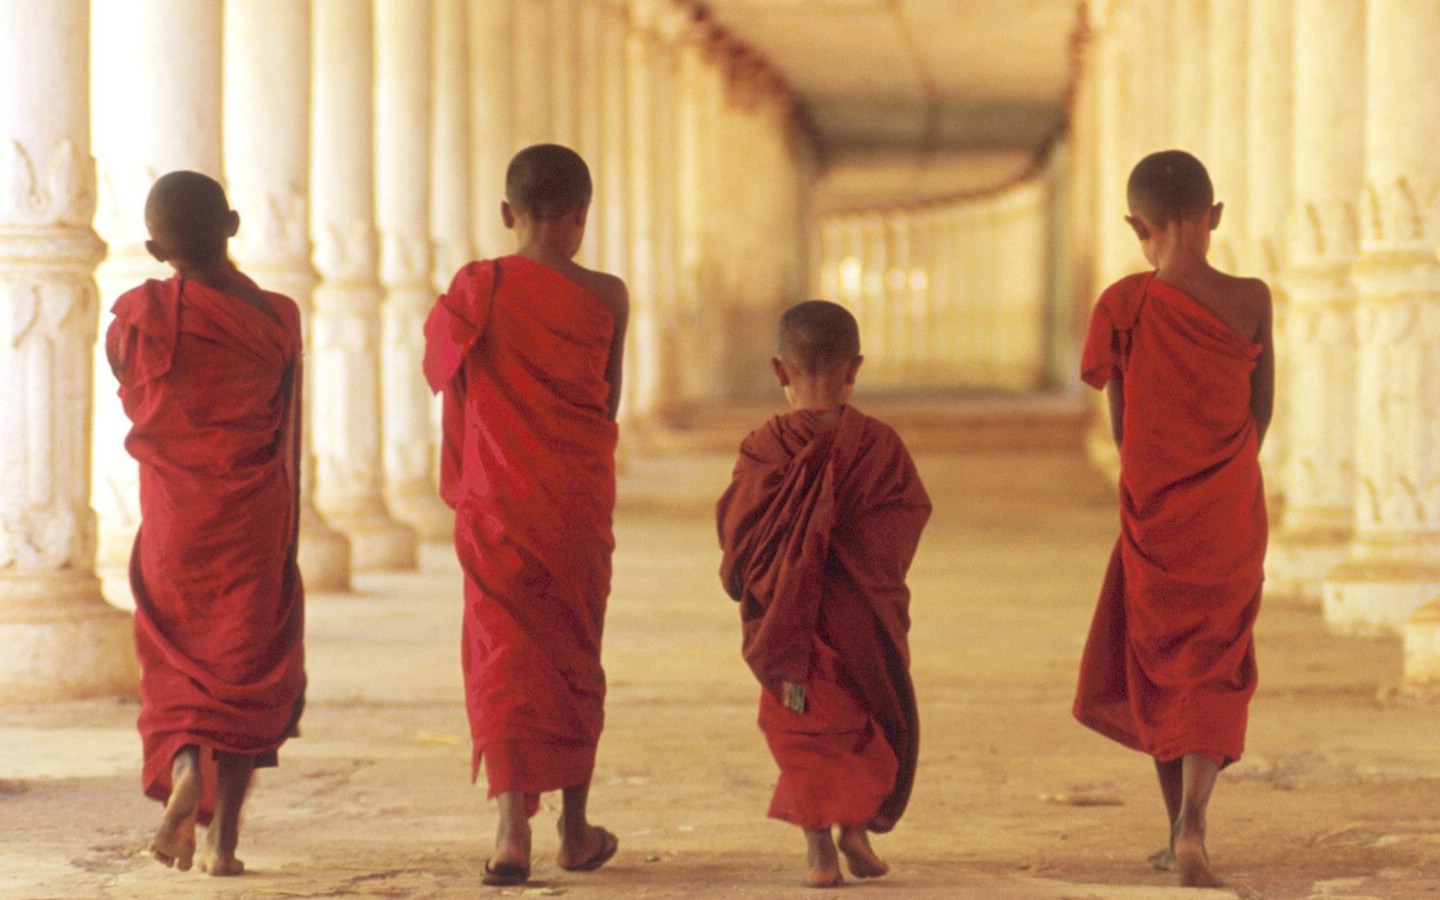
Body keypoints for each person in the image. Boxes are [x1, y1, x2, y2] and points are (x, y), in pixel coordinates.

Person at [423, 144, 628, 888]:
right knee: (574, 655)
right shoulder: (607, 295)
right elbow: (606, 404)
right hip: (573, 504)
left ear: (508, 216)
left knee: (502, 657)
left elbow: (453, 385)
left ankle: (512, 831)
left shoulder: (476, 288)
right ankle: (574, 830)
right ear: (581, 217)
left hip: (498, 505)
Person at [1073, 149, 1273, 889]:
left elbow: (1123, 428)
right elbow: (1262, 412)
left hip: (1156, 516)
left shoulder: (1124, 306)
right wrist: (1222, 476)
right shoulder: (1252, 298)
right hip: (1229, 512)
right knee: (1214, 664)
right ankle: (1191, 822)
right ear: (1213, 217)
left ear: (1137, 227)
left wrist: (1159, 486)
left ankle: (1175, 830)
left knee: (1158, 662)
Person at [107, 170, 307, 877]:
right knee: (249, 668)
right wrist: (289, 534)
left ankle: (187, 764)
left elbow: (139, 393)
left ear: (155, 249)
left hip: (173, 522)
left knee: (179, 665)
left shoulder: (134, 320)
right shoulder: (278, 317)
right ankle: (223, 844)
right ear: (233, 225)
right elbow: (287, 432)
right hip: (251, 518)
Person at [716, 300, 931, 889]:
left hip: (791, 624)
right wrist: (866, 576)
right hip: (861, 616)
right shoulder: (880, 445)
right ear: (854, 368)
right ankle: (856, 830)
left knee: (805, 727)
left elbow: (737, 538)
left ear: (779, 371)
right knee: (866, 716)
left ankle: (822, 855)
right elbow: (906, 517)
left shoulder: (763, 449)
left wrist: (773, 571)